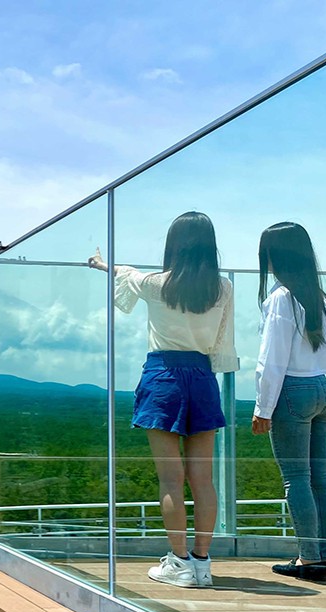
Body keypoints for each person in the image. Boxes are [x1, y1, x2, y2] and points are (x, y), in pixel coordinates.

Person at [88, 211, 237, 587]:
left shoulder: (158, 284)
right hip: (203, 377)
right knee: (203, 480)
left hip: (164, 376)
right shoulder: (222, 288)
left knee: (171, 480)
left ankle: (179, 563)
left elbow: (128, 274)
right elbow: (222, 340)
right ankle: (202, 565)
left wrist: (102, 264)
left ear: (174, 244)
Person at [251, 222, 326, 583]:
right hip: (323, 388)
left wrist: (262, 407)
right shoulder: (319, 296)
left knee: (296, 479)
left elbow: (271, 359)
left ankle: (309, 558)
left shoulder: (280, 298)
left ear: (275, 256)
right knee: (321, 476)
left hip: (292, 392)